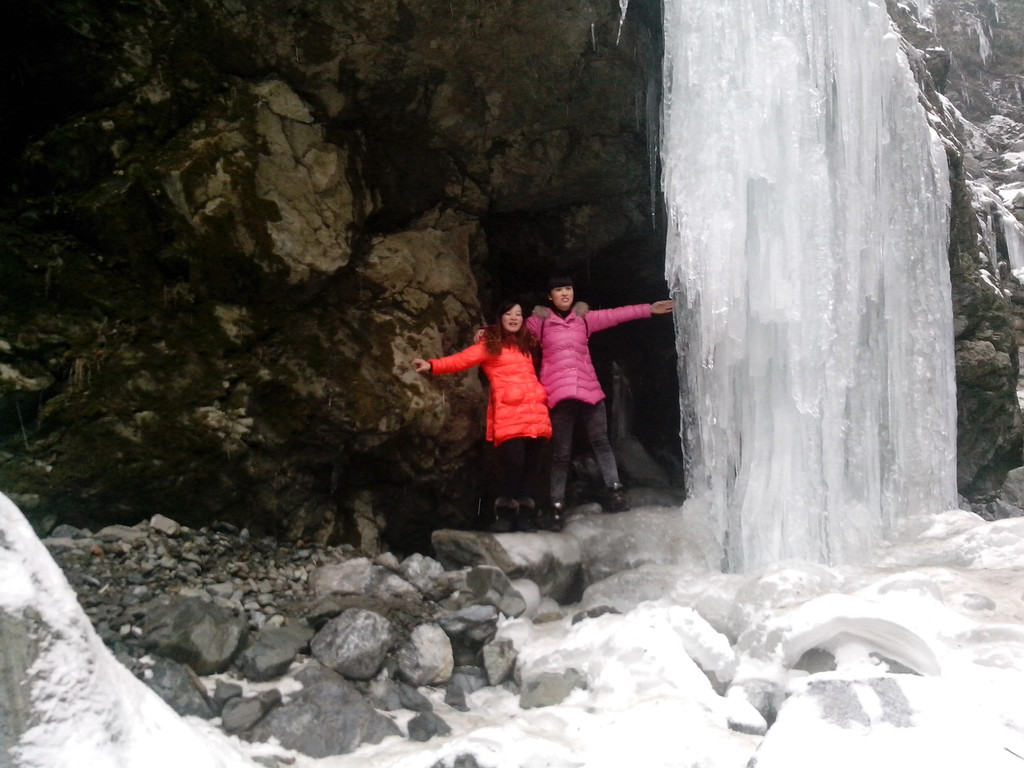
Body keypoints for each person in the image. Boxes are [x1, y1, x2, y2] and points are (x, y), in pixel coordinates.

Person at [527, 276, 673, 527]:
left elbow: (616, 315)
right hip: (559, 395)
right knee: (561, 453)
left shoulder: (584, 319)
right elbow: (510, 328)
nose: (564, 294)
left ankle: (614, 491)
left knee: (602, 443)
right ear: (550, 297)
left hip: (589, 391)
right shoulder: (539, 323)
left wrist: (649, 309)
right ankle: (556, 505)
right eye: (558, 290)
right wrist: (484, 333)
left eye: (568, 289)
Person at [413, 300, 551, 533]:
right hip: (509, 413)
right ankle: (506, 513)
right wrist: (432, 365)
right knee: (514, 463)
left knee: (530, 466)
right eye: (508, 314)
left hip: (535, 412)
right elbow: (462, 359)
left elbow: (554, 333)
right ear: (500, 318)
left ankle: (525, 515)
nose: (514, 318)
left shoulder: (527, 344)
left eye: (518, 314)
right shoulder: (490, 344)